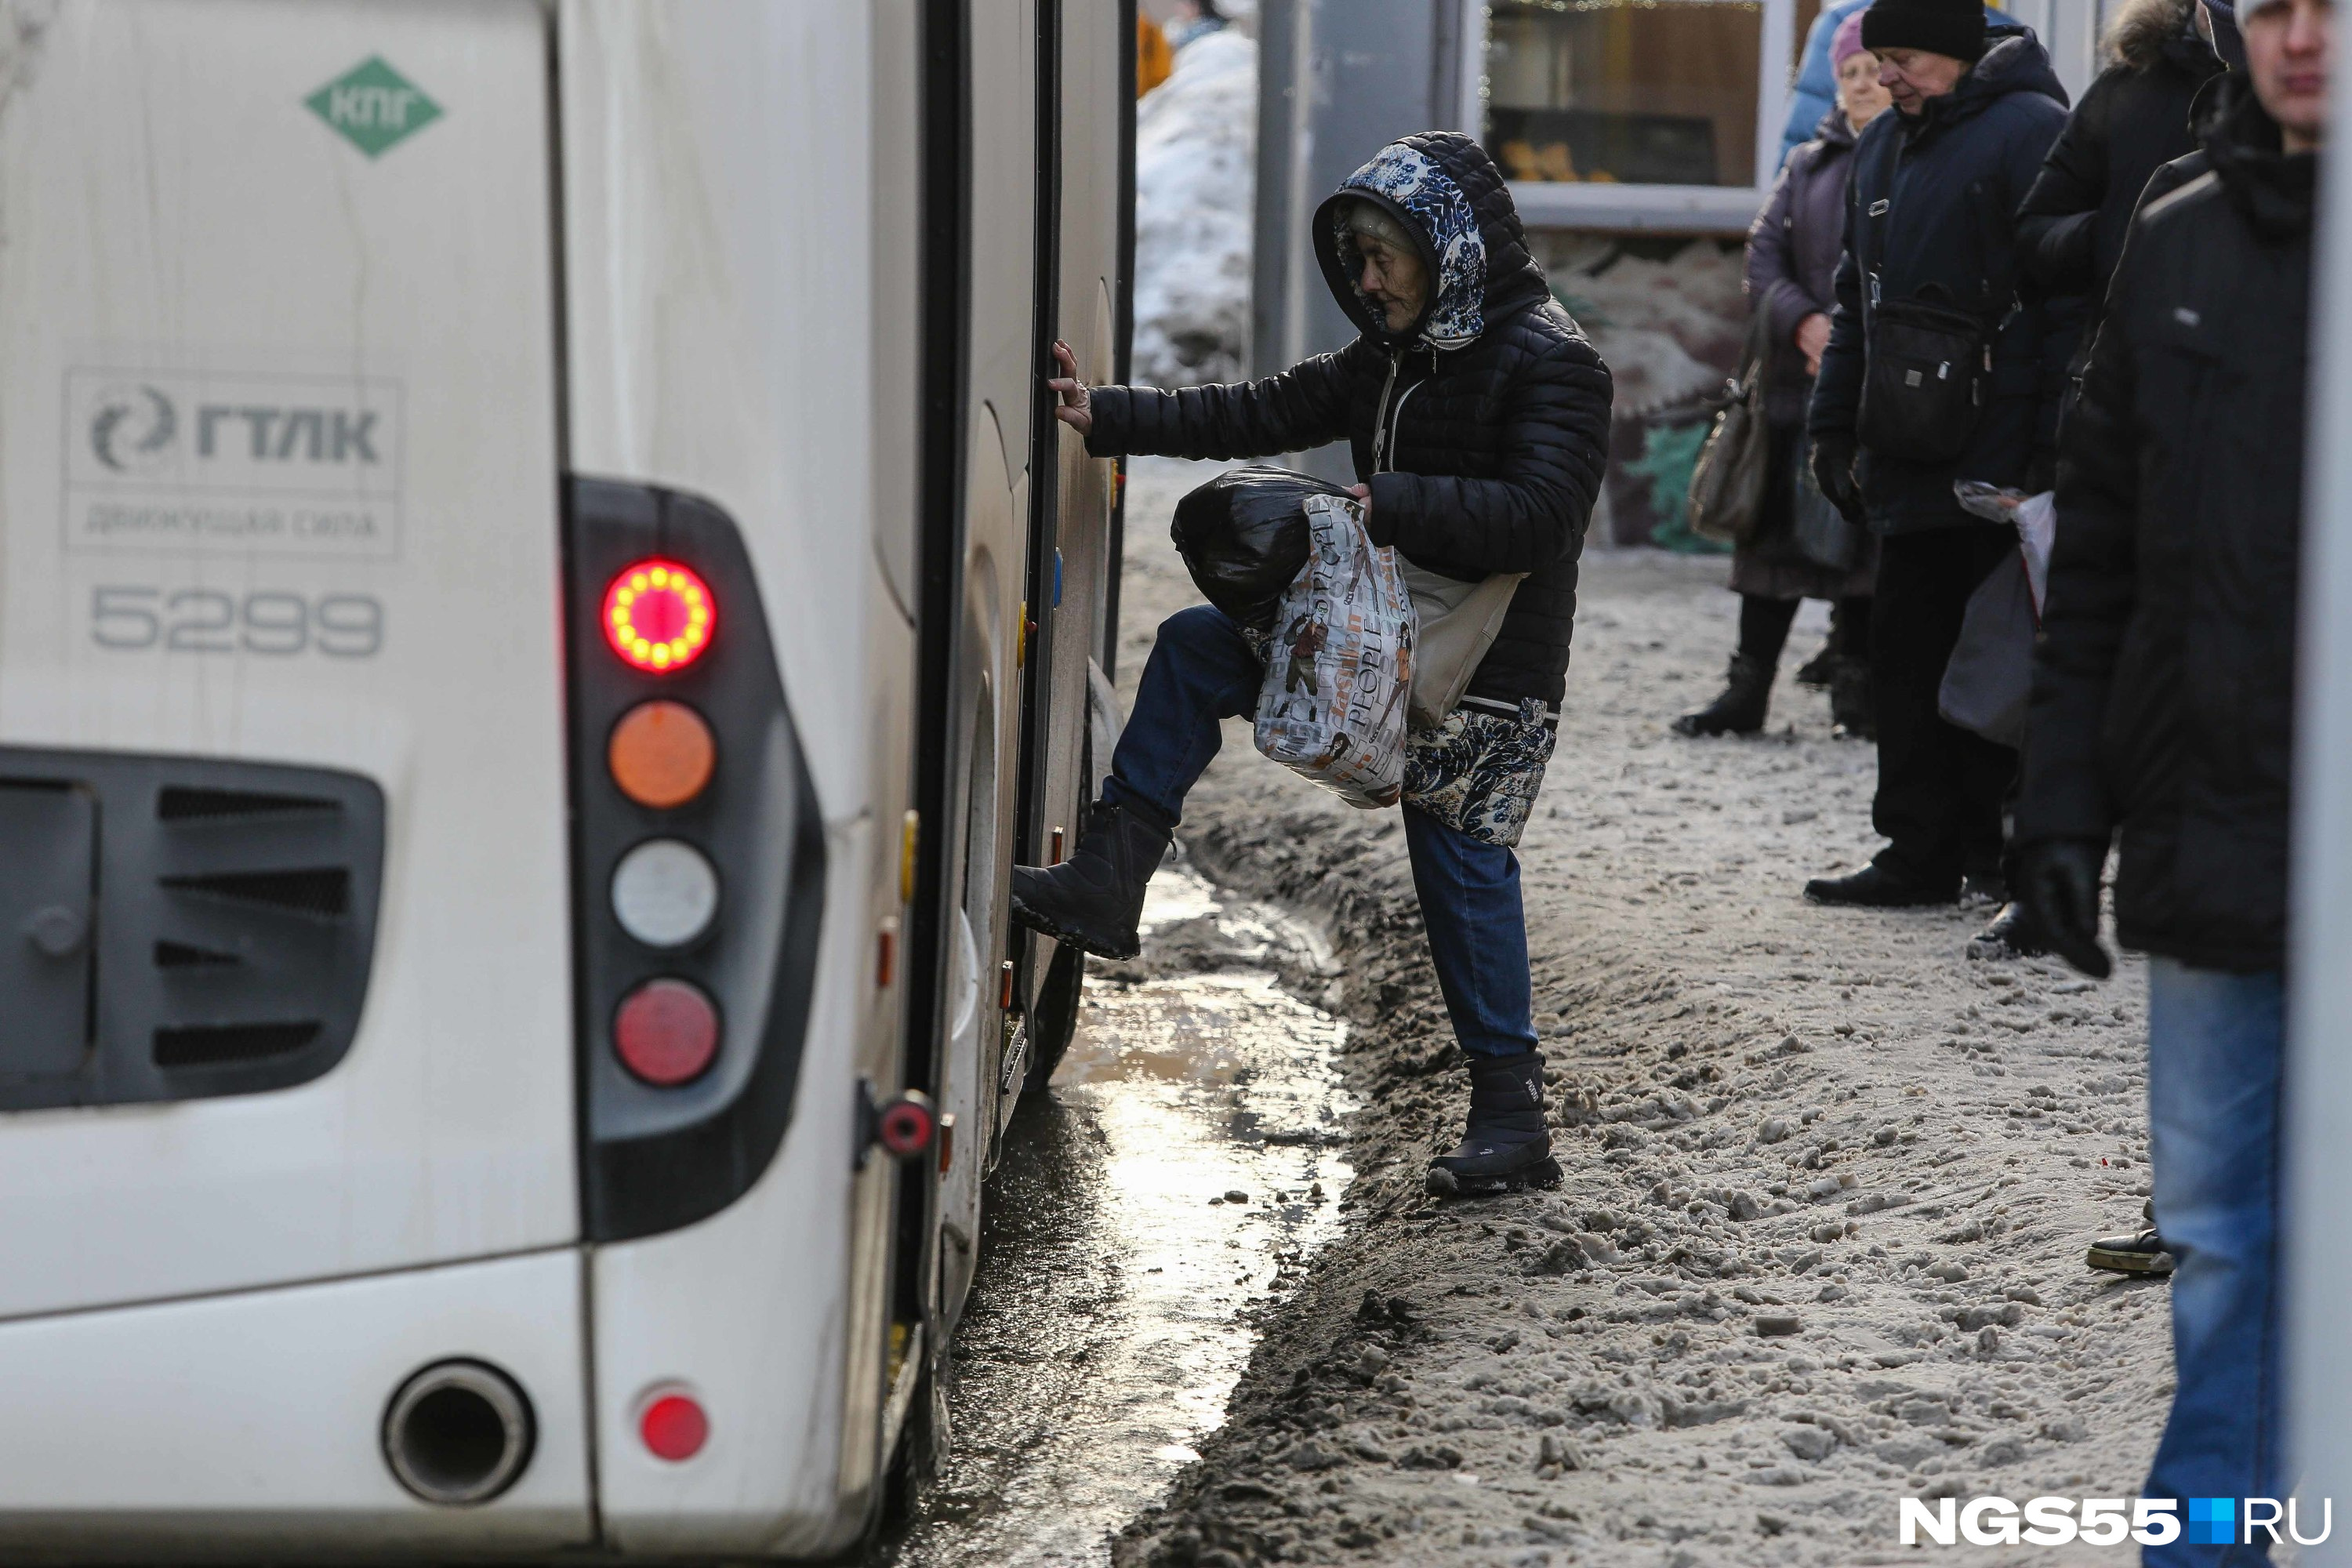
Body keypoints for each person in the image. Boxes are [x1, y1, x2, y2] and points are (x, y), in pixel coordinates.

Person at [1015, 132, 1613, 1197]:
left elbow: (1545, 519)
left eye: (1385, 257)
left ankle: (1513, 1125)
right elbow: (1261, 410)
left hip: (1491, 676)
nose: (1367, 279)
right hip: (1381, 634)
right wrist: (1106, 415)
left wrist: (1396, 503)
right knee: (1199, 646)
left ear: (1451, 250)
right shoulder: (1391, 349)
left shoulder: (1557, 361)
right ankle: (1110, 885)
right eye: (1359, 258)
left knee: (1462, 873)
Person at [2013, 0, 2327, 1534]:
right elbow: (2101, 554)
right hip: (2211, 827)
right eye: (2274, 6)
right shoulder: (2180, 235)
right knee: (2219, 1228)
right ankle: (2217, 1527)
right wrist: (2060, 798)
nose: (2307, 37)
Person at [1802, 0, 2071, 911]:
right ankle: (1916, 854)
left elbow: (2065, 303)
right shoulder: (1882, 145)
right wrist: (1833, 427)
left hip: (1997, 454)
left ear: (1959, 53)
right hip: (1903, 450)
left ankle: (1997, 855)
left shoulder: (2035, 131)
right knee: (1904, 652)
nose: (1887, 77)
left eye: (1904, 57)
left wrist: (2043, 448)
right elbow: (1856, 303)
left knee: (1990, 659)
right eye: (1879, 59)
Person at [1674, 13, 1886, 741]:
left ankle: (1858, 686)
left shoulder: (1916, 157)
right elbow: (1762, 259)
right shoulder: (1809, 164)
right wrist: (1807, 324)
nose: (1861, 84)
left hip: (1876, 394)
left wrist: (1855, 336)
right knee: (1770, 548)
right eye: (1849, 72)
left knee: (1865, 548)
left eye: (1873, 69)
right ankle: (1747, 690)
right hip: (1795, 389)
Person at [2015, 0, 2226, 372]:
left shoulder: (2308, 99)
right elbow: (2037, 227)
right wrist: (2109, 238)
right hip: (2120, 375)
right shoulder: (2128, 85)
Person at [1778, 0, 2009, 163]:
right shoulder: (1843, 21)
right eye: (1880, 61)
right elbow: (1806, 129)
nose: (1883, 78)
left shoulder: (1997, 30)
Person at [1163, 0, 1229, 52]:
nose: (1178, 8)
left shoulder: (1207, 28)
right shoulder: (1178, 25)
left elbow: (1177, 46)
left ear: (1197, 6)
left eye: (1184, 3)